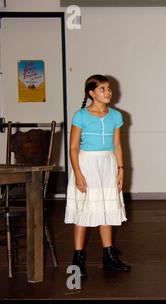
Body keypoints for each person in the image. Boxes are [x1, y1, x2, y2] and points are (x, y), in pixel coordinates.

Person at [65, 74, 130, 277]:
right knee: (83, 211)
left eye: (109, 88)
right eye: (102, 89)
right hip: (87, 164)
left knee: (106, 210)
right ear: (91, 93)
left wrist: (121, 170)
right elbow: (73, 147)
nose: (108, 92)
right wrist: (77, 172)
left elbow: (118, 145)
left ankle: (109, 257)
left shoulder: (116, 116)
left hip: (108, 164)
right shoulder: (81, 115)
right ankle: (78, 259)